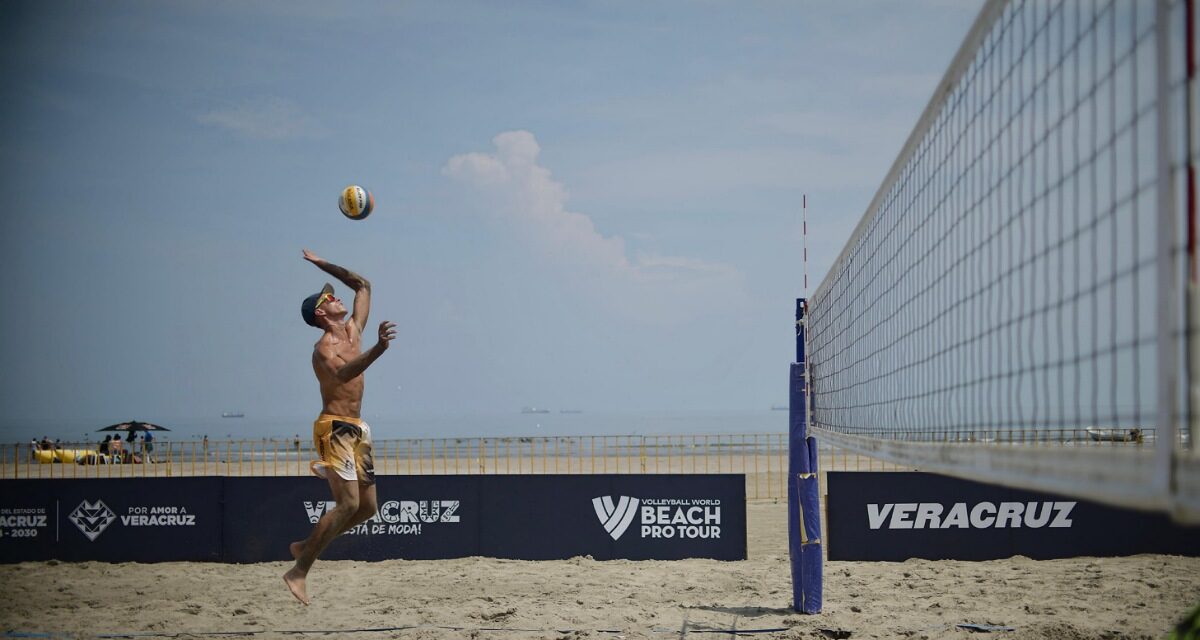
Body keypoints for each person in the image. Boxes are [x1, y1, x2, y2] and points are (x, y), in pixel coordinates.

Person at [283, 249, 396, 605]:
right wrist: (379, 348)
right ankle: (298, 570)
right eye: (329, 298)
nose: (337, 298)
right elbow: (346, 372)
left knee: (368, 508)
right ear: (321, 312)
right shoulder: (323, 348)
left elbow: (362, 284)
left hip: (357, 427)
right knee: (347, 505)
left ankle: (307, 544)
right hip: (333, 428)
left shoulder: (353, 330)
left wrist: (322, 264)